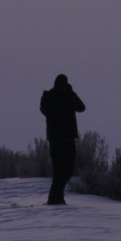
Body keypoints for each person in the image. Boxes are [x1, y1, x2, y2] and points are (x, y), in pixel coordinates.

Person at [39, 73, 86, 205]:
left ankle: (57, 199)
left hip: (54, 140)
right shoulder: (68, 96)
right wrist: (71, 92)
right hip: (67, 140)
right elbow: (82, 107)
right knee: (67, 171)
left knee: (58, 170)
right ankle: (54, 199)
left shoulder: (48, 97)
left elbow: (43, 109)